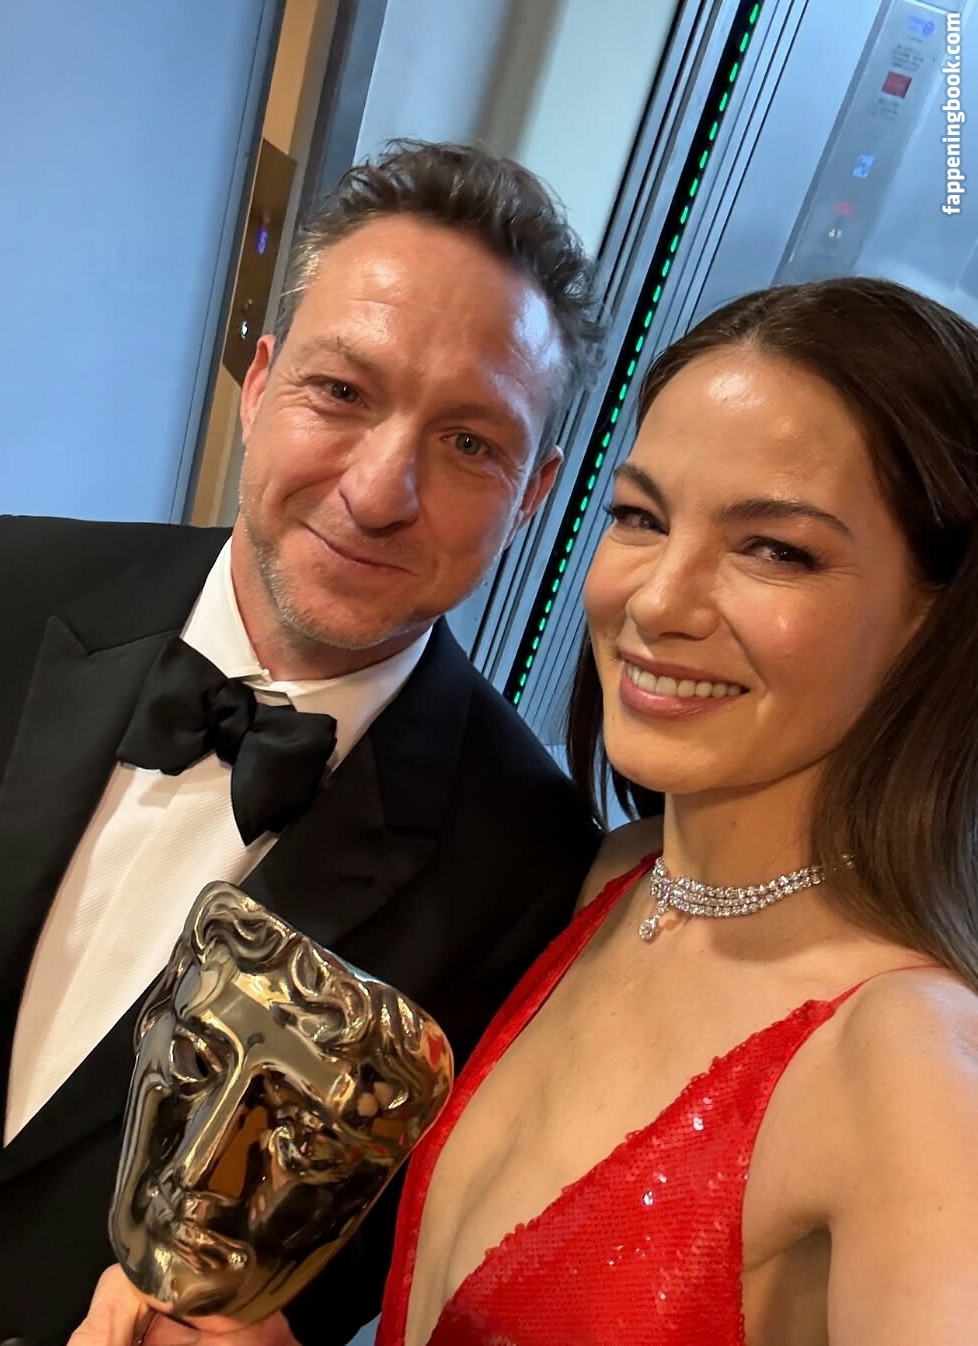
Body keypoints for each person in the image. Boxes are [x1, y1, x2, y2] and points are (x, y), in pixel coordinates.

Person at [0, 140, 605, 1346]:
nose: (379, 491)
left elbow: (380, 1258)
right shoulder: (8, 584)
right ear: (260, 381)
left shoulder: (531, 862)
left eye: (470, 444)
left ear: (531, 495)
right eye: (342, 391)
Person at [375, 277, 978, 1346]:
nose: (656, 600)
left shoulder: (911, 1067)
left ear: (938, 619)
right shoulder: (619, 880)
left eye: (774, 548)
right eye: (640, 518)